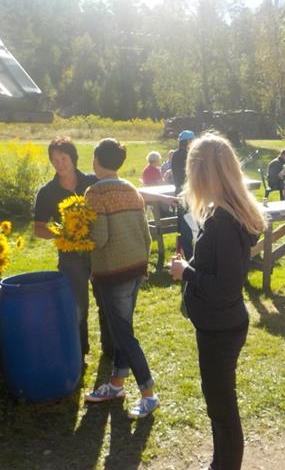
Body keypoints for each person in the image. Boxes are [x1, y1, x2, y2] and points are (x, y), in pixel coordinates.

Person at [169, 134, 267, 470]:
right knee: (219, 404)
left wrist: (186, 272)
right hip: (220, 323)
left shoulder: (222, 221)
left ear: (201, 172)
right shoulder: (227, 213)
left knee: (222, 407)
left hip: (220, 326)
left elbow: (225, 286)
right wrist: (194, 265)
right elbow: (225, 271)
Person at [84, 138, 176, 417]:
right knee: (122, 329)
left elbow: (99, 239)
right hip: (136, 268)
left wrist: (77, 234)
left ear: (96, 161)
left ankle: (148, 394)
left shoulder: (94, 194)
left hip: (112, 273)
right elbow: (146, 232)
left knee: (123, 333)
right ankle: (116, 384)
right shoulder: (132, 189)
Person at [34, 136, 112, 358]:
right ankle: (79, 350)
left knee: (105, 301)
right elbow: (38, 228)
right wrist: (62, 234)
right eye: (54, 159)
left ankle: (110, 348)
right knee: (78, 306)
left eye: (63, 157)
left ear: (74, 158)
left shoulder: (92, 182)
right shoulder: (47, 192)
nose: (59, 163)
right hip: (69, 255)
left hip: (99, 250)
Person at [172, 130, 195, 260]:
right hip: (189, 194)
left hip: (179, 194)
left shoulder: (175, 154)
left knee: (183, 226)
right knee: (190, 227)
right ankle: (191, 256)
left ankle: (184, 255)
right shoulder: (190, 155)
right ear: (188, 141)